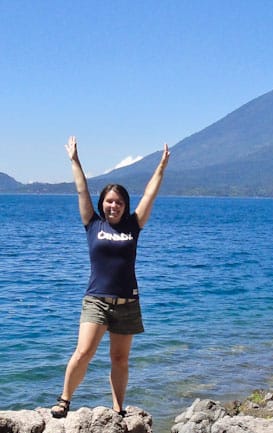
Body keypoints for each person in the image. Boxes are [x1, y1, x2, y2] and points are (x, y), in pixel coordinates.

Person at [51, 135, 170, 418]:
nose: (113, 206)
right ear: (102, 204)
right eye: (108, 202)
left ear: (125, 205)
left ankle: (118, 410)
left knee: (120, 359)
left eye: (118, 202)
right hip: (97, 301)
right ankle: (64, 400)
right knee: (83, 353)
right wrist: (75, 160)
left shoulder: (134, 224)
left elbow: (150, 194)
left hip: (128, 303)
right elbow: (81, 191)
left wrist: (161, 167)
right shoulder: (92, 224)